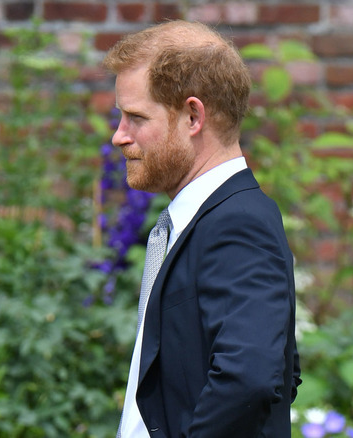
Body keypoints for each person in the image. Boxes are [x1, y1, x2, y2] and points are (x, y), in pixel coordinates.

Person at [104, 21, 300, 438]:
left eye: (135, 117)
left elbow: (251, 379)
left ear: (193, 115)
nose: (119, 136)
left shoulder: (238, 223)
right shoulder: (205, 219)